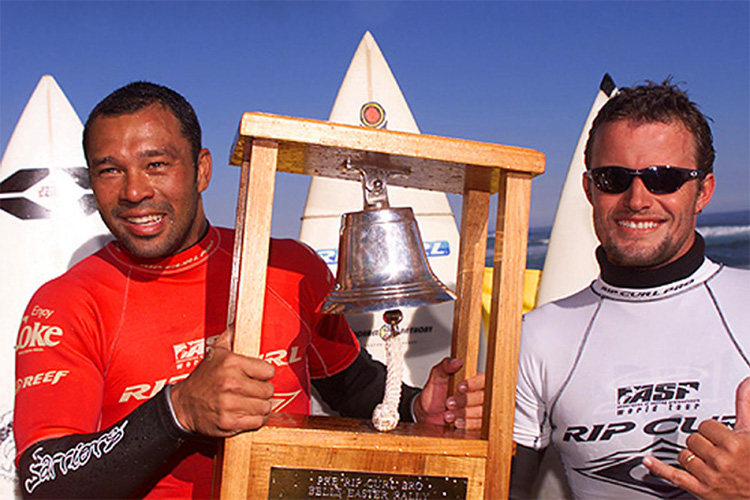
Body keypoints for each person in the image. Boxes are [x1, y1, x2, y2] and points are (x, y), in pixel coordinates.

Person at [13, 81, 484, 499]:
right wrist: (177, 412)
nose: (134, 191)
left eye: (156, 164)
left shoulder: (289, 269)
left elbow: (352, 384)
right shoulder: (65, 303)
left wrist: (412, 406)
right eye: (109, 170)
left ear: (201, 170)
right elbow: (43, 479)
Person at [511, 80, 750, 499]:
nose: (637, 198)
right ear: (589, 190)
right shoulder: (537, 336)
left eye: (665, 178)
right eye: (613, 178)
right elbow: (500, 490)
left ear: (703, 192)